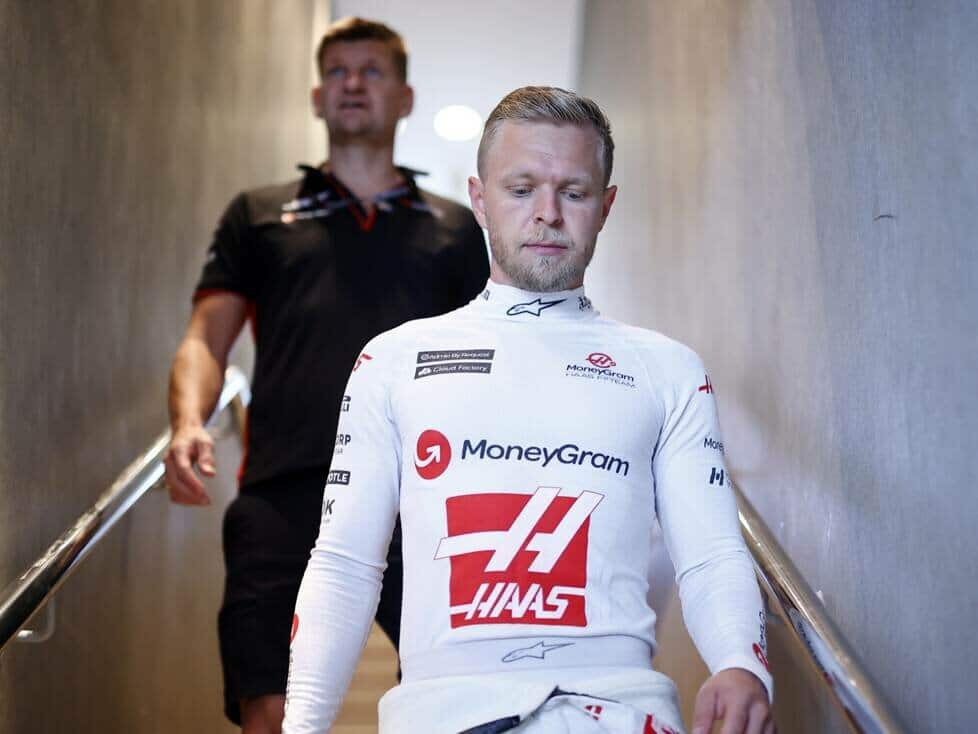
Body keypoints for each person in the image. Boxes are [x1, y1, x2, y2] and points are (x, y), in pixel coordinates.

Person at [283, 87, 774, 734]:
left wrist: (742, 663)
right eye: (521, 190)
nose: (547, 214)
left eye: (574, 192)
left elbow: (710, 552)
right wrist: (302, 726)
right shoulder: (394, 360)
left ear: (606, 206)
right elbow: (345, 563)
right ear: (479, 200)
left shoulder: (668, 370)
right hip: (442, 713)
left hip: (622, 713)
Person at [163, 17, 489, 734]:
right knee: (270, 708)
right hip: (283, 492)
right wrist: (188, 423)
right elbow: (206, 337)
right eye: (337, 71)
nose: (352, 84)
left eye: (372, 71)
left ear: (405, 97)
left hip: (421, 497)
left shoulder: (456, 228)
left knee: (451, 698)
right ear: (317, 96)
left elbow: (490, 362)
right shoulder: (258, 215)